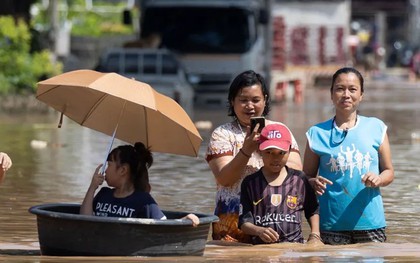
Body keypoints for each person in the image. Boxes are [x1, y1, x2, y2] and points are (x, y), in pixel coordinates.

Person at [205, 70, 302, 243]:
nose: (249, 106)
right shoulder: (222, 134)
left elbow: (296, 174)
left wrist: (269, 151)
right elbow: (225, 179)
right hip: (231, 221)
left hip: (274, 219)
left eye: (255, 100)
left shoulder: (280, 131)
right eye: (243, 100)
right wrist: (247, 150)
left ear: (265, 100)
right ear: (232, 101)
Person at [302, 67, 394, 245]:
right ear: (331, 94)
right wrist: (313, 183)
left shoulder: (377, 128)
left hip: (371, 223)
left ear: (361, 95)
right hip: (331, 225)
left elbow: (389, 172)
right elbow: (305, 176)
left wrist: (378, 179)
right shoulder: (316, 133)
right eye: (339, 88)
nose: (346, 94)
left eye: (352, 89)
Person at [238, 124, 321, 245]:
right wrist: (259, 231)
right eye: (269, 152)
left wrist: (315, 235)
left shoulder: (300, 179)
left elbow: (312, 210)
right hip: (262, 249)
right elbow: (243, 222)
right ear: (259, 151)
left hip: (294, 248)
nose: (275, 158)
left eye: (281, 153)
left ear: (290, 150)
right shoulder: (250, 183)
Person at [80, 142, 199, 226]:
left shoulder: (144, 201)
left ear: (123, 170)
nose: (105, 170)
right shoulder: (103, 194)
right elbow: (84, 222)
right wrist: (92, 187)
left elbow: (165, 226)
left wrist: (186, 219)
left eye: (109, 165)